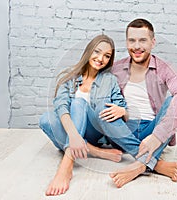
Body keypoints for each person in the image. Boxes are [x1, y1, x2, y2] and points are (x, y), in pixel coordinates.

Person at [99, 18, 177, 188]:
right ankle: (156, 164)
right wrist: (121, 111)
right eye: (132, 40)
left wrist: (156, 137)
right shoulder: (116, 69)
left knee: (173, 100)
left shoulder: (165, 68)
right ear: (126, 42)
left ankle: (139, 165)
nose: (136, 46)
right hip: (124, 131)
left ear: (152, 42)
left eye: (143, 40)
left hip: (152, 130)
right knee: (102, 112)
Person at [39, 34, 127, 196]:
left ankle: (66, 165)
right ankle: (96, 151)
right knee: (45, 119)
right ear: (88, 51)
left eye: (107, 56)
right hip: (72, 133)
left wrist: (123, 111)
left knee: (79, 103)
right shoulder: (70, 77)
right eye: (97, 52)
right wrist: (73, 135)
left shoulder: (110, 80)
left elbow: (120, 107)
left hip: (93, 131)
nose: (101, 58)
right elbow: (61, 107)